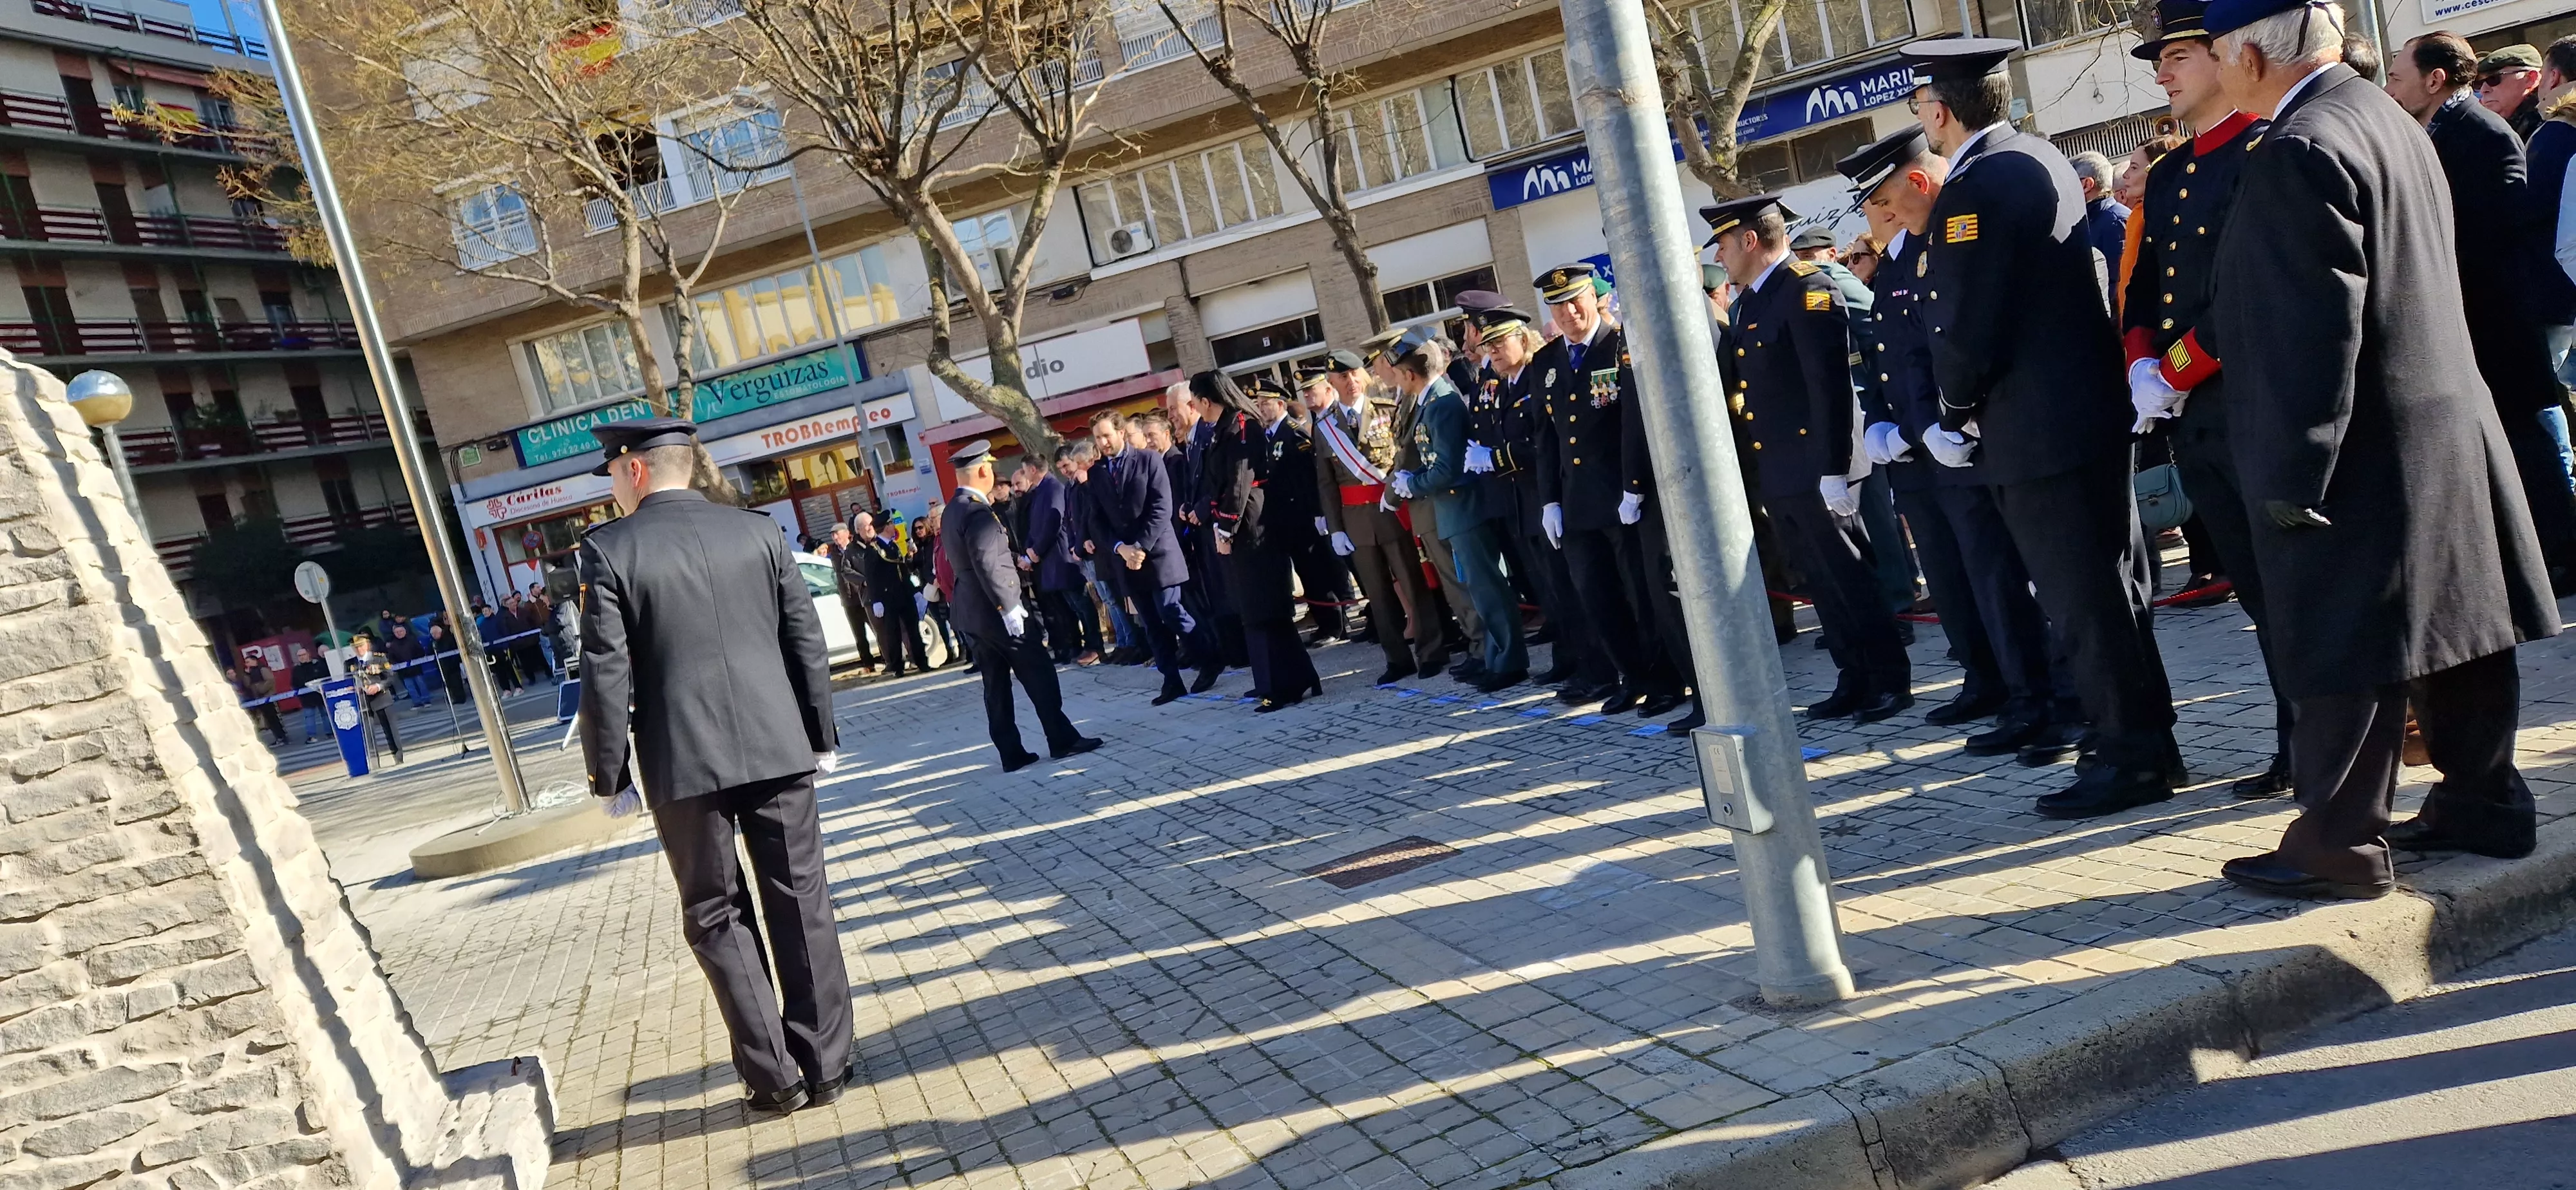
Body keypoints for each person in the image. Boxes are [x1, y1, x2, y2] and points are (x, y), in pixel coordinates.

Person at [2204, 0, 2559, 898]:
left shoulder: (2299, 146)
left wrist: (2294, 468)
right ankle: (2484, 803)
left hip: (2362, 442)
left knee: (2345, 641)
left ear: (2249, 52)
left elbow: (2309, 331)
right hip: (2439, 418)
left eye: (2212, 51)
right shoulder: (2389, 120)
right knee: (2461, 631)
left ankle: (2338, 843)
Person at [1908, 35, 2182, 817]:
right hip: (2081, 414)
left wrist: (1954, 411)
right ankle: (2146, 742)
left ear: (1940, 110)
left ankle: (2126, 757)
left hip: (2034, 427)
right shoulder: (2042, 158)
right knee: (2114, 589)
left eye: (1924, 106)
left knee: (2082, 601)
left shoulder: (1977, 186)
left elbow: (1968, 323)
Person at [575, 416, 853, 1115]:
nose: (611, 489)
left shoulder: (609, 551)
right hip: (777, 742)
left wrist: (610, 773)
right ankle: (826, 1066)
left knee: (715, 913)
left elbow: (604, 672)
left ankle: (775, 1078)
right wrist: (818, 732)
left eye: (611, 474)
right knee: (801, 898)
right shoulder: (759, 531)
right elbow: (805, 641)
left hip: (682, 755)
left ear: (634, 470)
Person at [2119, 0, 2293, 798]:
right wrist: (2139, 364)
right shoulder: (2169, 171)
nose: (2162, 73)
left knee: (2290, 587)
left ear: (2225, 60)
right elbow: (2145, 288)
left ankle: (2318, 744)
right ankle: (2298, 742)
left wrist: (2176, 367)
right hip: (2194, 417)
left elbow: (2246, 290)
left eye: (2177, 57)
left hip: (2252, 398)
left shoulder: (2266, 148)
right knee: (2258, 594)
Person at [1842, 128, 2062, 752]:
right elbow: (1895, 357)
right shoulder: (1896, 263)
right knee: (1962, 577)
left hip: (1966, 440)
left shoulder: (1942, 244)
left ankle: (2040, 695)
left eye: (1884, 203)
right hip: (1924, 446)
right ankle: (2000, 685)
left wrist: (1941, 422)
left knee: (2005, 579)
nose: (1881, 217)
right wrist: (1889, 426)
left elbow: (1952, 346)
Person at [1707, 194, 1913, 722]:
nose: (1722, 257)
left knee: (1851, 577)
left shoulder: (1807, 289)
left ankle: (1888, 680)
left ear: (1750, 241)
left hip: (1823, 465)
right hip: (1781, 468)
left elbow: (1829, 389)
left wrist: (1832, 469)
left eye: (1725, 244)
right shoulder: (1753, 299)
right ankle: (1853, 676)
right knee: (1821, 581)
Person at [2391, 30, 2576, 592]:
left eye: (2398, 77)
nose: (2391, 90)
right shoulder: (2434, 130)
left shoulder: (2479, 135)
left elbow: (2494, 233)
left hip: (2497, 318)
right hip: (2472, 318)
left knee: (2529, 435)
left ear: (2435, 78)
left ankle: (2563, 553)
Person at [1529, 263, 1676, 713]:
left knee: (1641, 594)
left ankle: (1665, 682)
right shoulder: (1547, 362)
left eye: (1576, 300)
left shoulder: (1620, 347)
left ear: (1594, 297)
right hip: (1576, 504)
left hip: (1622, 497)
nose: (1569, 312)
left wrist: (1634, 488)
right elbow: (1546, 438)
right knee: (1598, 598)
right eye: (1558, 305)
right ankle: (1631, 677)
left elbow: (1636, 423)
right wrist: (1550, 501)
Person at [942, 439, 1104, 768]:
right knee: (1039, 671)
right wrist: (1009, 607)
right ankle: (1062, 739)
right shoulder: (976, 512)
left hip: (973, 613)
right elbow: (988, 562)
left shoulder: (952, 509)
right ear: (984, 471)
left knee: (996, 684)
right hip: (996, 610)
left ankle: (1011, 753)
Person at [1387, 328, 1527, 690]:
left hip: (1465, 507)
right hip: (1451, 510)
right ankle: (1493, 657)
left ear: (1410, 374)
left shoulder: (1443, 403)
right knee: (1476, 590)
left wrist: (1411, 484)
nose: (1398, 382)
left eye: (1399, 374)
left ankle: (1509, 662)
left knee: (1488, 587)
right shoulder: (1431, 401)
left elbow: (1449, 467)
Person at [1311, 352, 1443, 684]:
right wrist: (1336, 530)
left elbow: (1404, 458)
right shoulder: (1325, 427)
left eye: (1355, 374)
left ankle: (1432, 652)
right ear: (1332, 382)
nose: (1350, 381)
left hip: (1392, 511)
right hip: (1356, 521)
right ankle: (1397, 659)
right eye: (1342, 377)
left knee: (1414, 585)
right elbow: (1326, 484)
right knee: (1378, 594)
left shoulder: (1386, 409)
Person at [1198, 372, 1323, 710]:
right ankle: (1287, 678)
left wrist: (1225, 528)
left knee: (1263, 608)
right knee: (1255, 608)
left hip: (1251, 525)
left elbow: (1240, 482)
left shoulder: (1242, 425)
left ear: (1206, 400)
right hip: (1241, 524)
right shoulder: (1223, 428)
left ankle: (1280, 685)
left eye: (1196, 402)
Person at [1091, 409, 1222, 704]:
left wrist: (1140, 546)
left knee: (1170, 610)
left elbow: (1162, 507)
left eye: (1107, 436)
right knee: (1151, 623)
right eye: (1098, 438)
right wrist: (1121, 549)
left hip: (1158, 553)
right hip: (1126, 560)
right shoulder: (1096, 474)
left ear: (1121, 433)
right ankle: (1171, 680)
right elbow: (1096, 520)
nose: (1103, 442)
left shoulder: (1148, 460)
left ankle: (1209, 656)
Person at [1028, 445, 1101, 665]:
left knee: (1086, 604)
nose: (1065, 471)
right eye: (1060, 467)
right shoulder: (1067, 486)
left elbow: (1056, 519)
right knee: (1076, 606)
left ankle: (1096, 646)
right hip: (1073, 551)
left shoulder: (1060, 487)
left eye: (1067, 465)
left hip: (1072, 557)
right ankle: (1088, 646)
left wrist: (1037, 550)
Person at [862, 513, 931, 675]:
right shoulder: (874, 549)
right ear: (885, 527)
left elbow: (901, 569)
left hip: (904, 594)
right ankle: (897, 667)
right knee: (893, 633)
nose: (894, 526)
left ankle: (922, 662)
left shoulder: (893, 545)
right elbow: (872, 577)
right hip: (888, 597)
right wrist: (876, 600)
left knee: (914, 629)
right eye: (892, 524)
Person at [2068, 149, 2132, 288]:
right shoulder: (2086, 219)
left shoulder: (2116, 222)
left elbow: (2118, 283)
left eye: (2067, 182)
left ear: (2086, 185)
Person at [826, 524, 879, 673]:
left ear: (847, 534)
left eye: (837, 534)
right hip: (848, 600)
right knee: (859, 636)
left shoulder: (855, 549)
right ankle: (868, 665)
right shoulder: (834, 554)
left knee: (877, 630)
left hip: (863, 595)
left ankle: (889, 659)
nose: (835, 538)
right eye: (833, 535)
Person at [346, 635, 402, 764]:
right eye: (356, 648)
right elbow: (348, 681)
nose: (359, 649)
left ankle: (398, 758)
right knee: (368, 735)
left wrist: (378, 686)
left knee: (390, 731)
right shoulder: (350, 664)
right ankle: (373, 762)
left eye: (361, 646)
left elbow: (391, 678)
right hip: (363, 702)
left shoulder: (379, 658)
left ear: (367, 645)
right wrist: (354, 689)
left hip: (381, 698)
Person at [915, 505, 961, 661]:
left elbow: (941, 562)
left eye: (921, 527)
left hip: (945, 586)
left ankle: (964, 650)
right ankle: (951, 651)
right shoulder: (919, 546)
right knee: (941, 622)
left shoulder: (939, 539)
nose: (918, 531)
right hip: (932, 587)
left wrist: (939, 579)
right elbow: (922, 567)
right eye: (915, 529)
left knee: (954, 619)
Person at [2475, 42, 2545, 138]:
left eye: (2493, 79)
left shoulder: (2548, 123)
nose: (2483, 90)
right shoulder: (2490, 126)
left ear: (2530, 78)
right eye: (2478, 83)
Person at [236, 659, 290, 748]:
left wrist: (261, 690)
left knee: (275, 718)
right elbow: (248, 685)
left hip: (269, 697)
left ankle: (283, 737)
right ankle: (278, 737)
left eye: (248, 662)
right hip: (259, 699)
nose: (246, 664)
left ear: (255, 661)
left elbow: (270, 681)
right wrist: (247, 675)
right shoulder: (250, 673)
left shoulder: (263, 669)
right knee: (269, 719)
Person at [384, 621, 431, 708]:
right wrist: (397, 665)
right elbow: (391, 657)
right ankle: (417, 703)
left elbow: (420, 651)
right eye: (397, 632)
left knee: (421, 684)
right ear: (394, 633)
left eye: (401, 631)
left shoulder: (412, 640)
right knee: (410, 688)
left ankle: (426, 700)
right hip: (404, 671)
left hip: (416, 668)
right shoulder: (393, 645)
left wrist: (415, 660)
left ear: (405, 631)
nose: (399, 633)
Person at [289, 644, 329, 743]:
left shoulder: (318, 664)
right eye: (299, 656)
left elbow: (326, 676)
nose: (302, 657)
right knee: (309, 716)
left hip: (320, 694)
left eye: (303, 655)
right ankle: (312, 736)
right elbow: (294, 683)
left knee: (325, 714)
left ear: (308, 654)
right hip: (306, 697)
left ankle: (330, 733)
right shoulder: (296, 669)